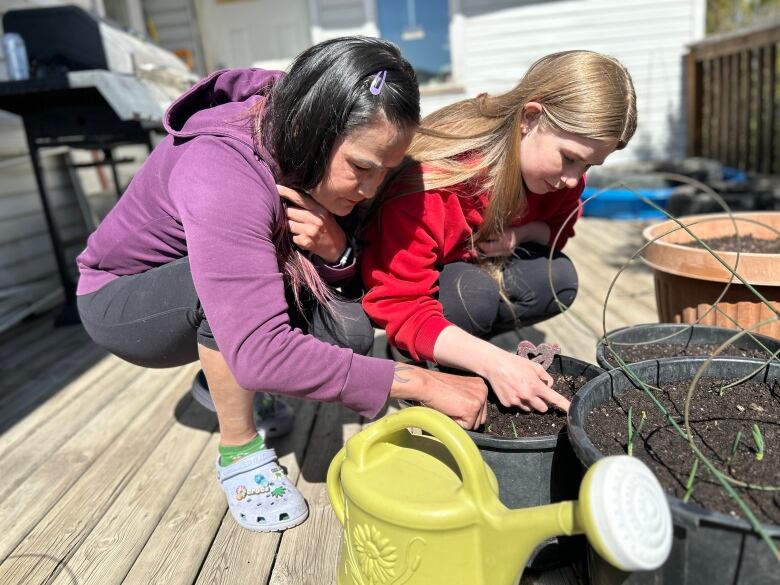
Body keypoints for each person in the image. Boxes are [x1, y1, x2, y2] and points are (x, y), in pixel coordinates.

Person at [75, 36, 488, 534]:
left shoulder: (316, 130)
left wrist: (338, 249)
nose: (372, 189)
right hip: (121, 299)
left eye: (387, 172)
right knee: (226, 310)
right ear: (308, 129)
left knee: (348, 330)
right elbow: (261, 350)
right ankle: (240, 452)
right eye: (360, 168)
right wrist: (421, 382)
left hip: (222, 276)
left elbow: (348, 297)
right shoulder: (221, 170)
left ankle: (221, 380)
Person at [361, 50, 637, 414]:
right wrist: (496, 364)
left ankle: (460, 350)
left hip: (468, 267)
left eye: (589, 164)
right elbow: (400, 301)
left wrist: (520, 236)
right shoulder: (440, 179)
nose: (574, 178)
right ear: (530, 117)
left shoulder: (559, 179)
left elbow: (558, 232)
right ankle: (411, 357)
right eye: (569, 157)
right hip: (415, 287)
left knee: (558, 277)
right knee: (471, 297)